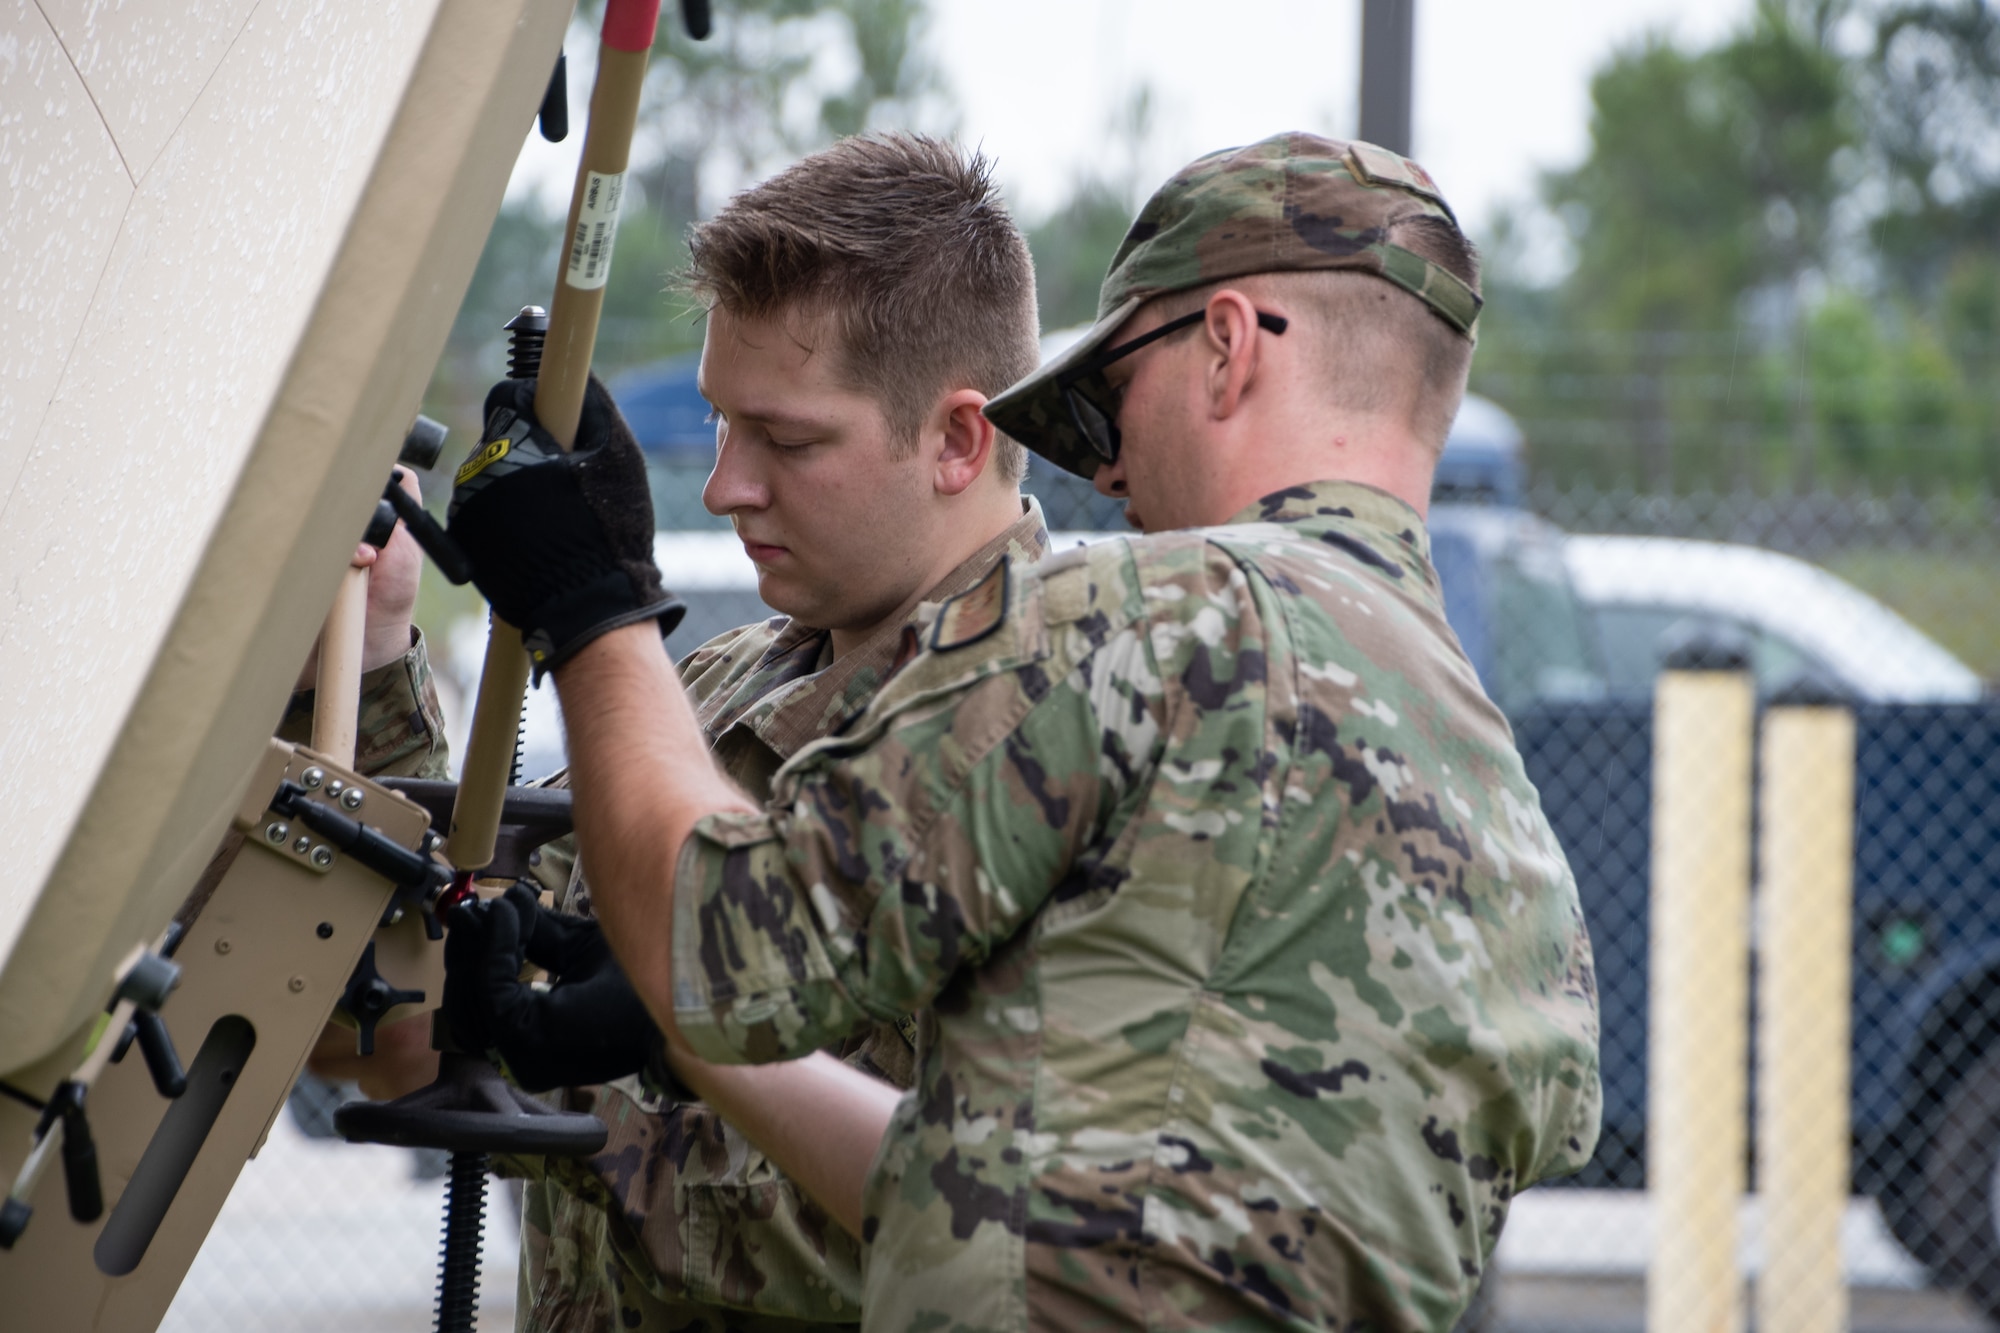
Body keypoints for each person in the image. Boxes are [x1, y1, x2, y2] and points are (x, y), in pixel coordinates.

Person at [446, 132, 1603, 1332]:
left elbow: (719, 945)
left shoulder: (1150, 622)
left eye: (1111, 398)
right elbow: (993, 1210)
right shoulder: (1489, 787)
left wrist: (590, 603)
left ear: (1223, 347)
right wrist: (687, 1052)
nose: (1099, 471)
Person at [414, 134, 1048, 1331]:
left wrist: (600, 627)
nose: (721, 488)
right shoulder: (715, 685)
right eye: (718, 426)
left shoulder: (1055, 737)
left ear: (959, 439)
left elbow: (890, 1241)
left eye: (788, 440)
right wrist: (380, 640)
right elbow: (432, 1017)